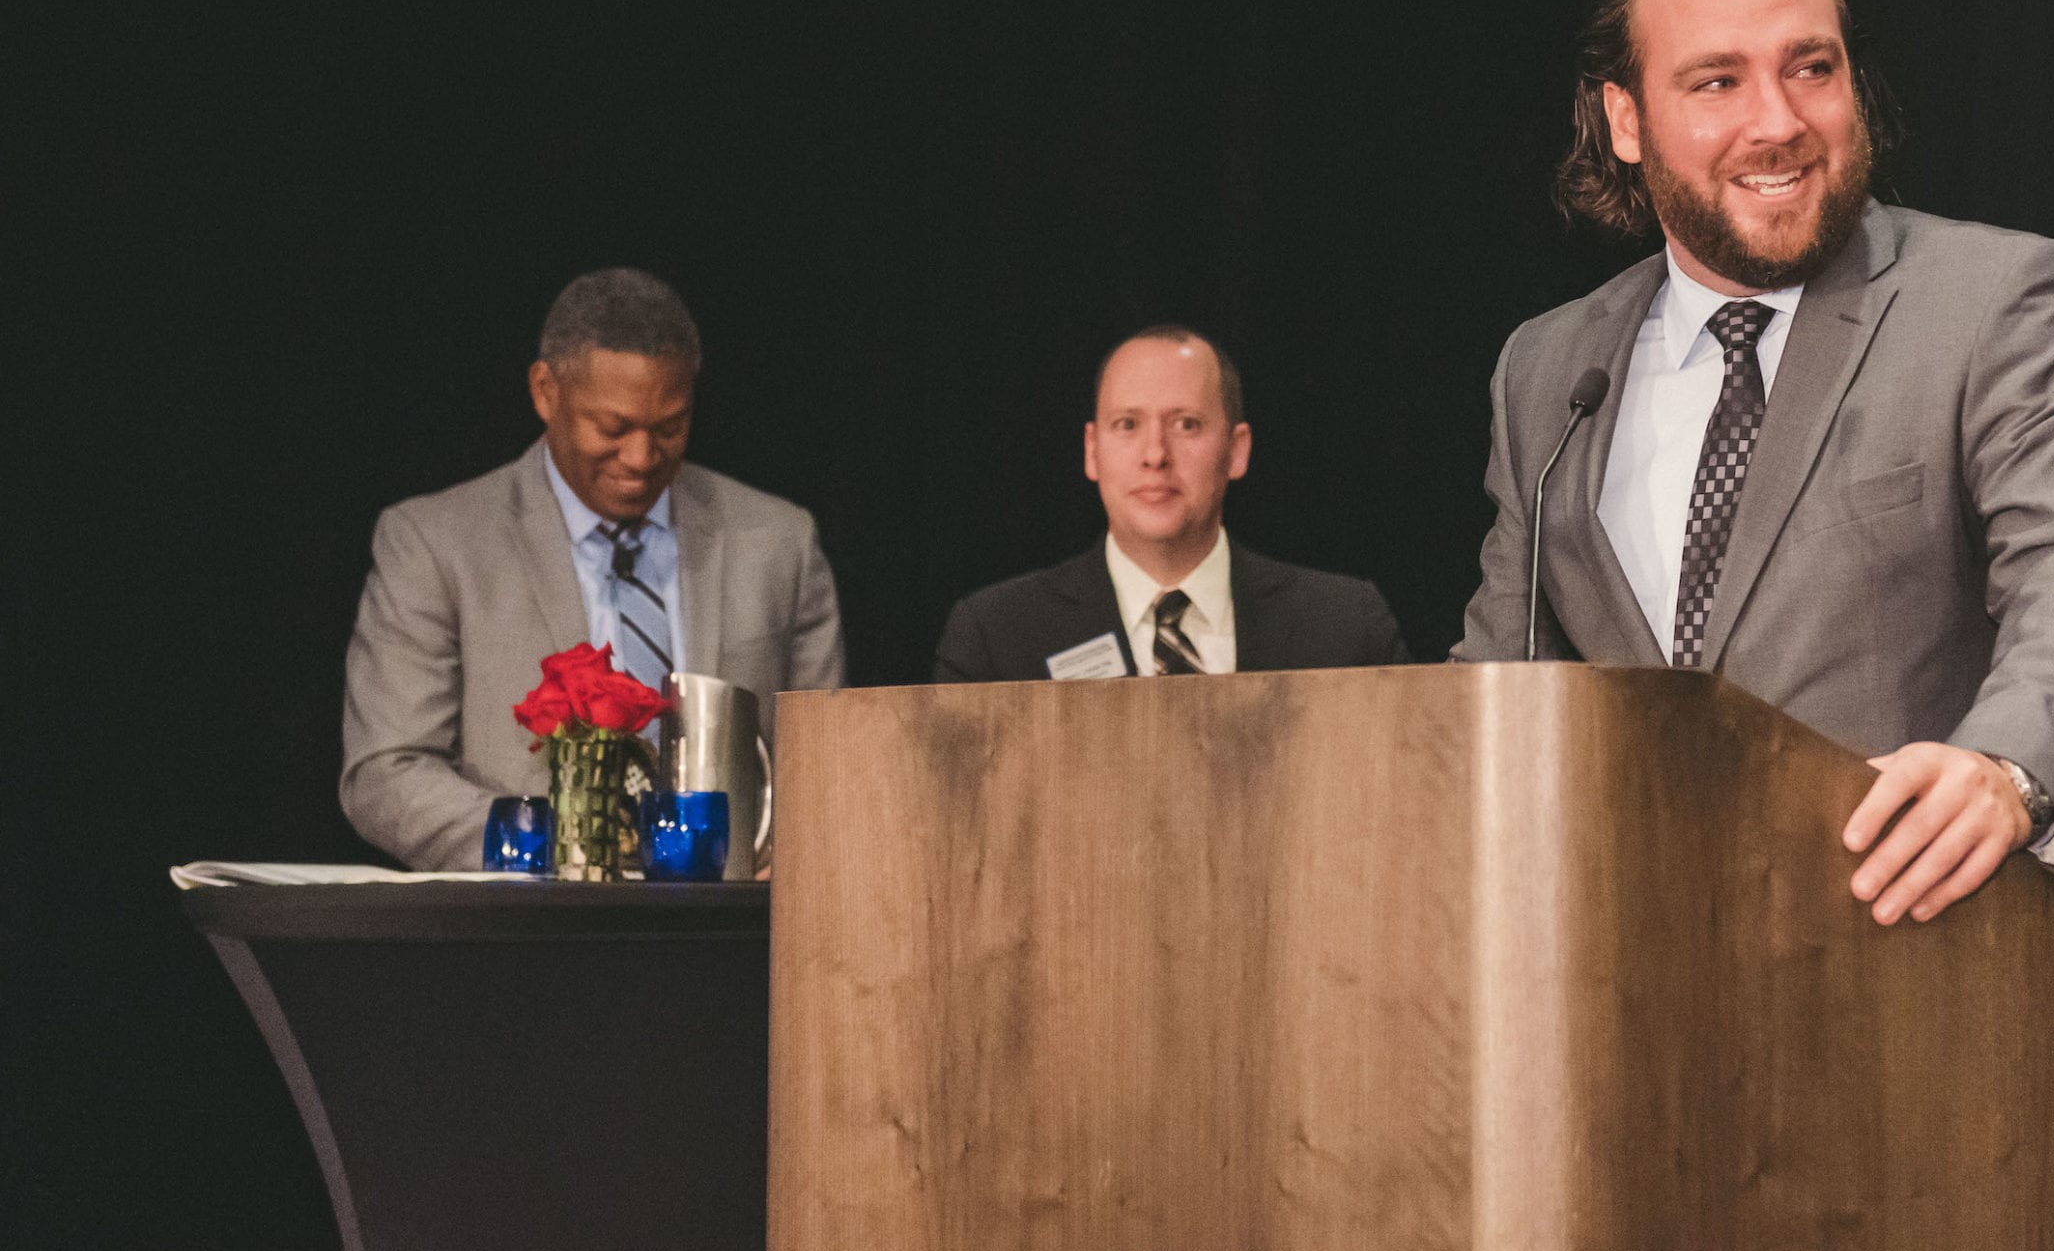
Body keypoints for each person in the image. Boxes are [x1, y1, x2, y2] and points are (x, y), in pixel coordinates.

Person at [1453, 0, 2054, 1243]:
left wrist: (2010, 767)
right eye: (1716, 81)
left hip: (1950, 1060)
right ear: (1625, 119)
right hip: (1638, 1102)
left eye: (1812, 67)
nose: (1777, 122)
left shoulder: (1998, 299)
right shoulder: (1550, 371)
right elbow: (1500, 690)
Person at [341, 268, 844, 870]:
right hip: (523, 936)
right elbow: (388, 771)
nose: (641, 458)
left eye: (670, 428)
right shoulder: (435, 543)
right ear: (545, 392)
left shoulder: (778, 542)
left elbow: (823, 765)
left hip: (732, 928)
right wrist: (562, 848)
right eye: (612, 428)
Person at [935, 325, 1408, 682]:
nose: (1155, 454)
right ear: (1091, 450)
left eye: (1186, 424)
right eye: (1127, 424)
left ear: (1237, 450)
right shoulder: (995, 638)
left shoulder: (1345, 628)